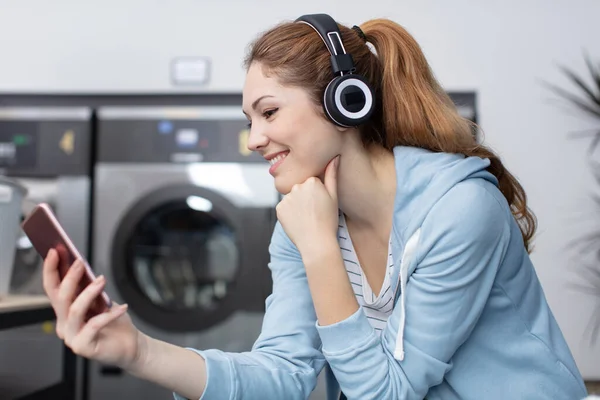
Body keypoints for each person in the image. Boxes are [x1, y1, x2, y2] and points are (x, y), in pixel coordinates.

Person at [41, 13, 588, 400]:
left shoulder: (461, 209)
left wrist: (322, 247)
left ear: (344, 104)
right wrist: (137, 351)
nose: (254, 139)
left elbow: (386, 395)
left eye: (269, 112)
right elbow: (282, 375)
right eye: (248, 121)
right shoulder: (302, 225)